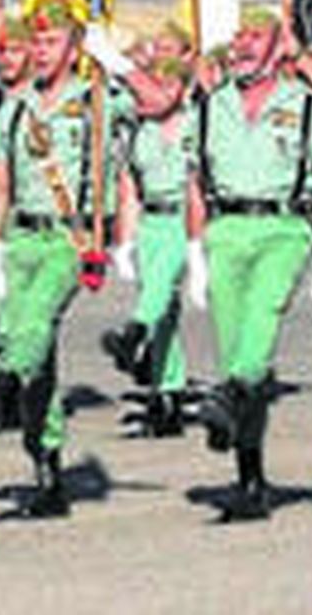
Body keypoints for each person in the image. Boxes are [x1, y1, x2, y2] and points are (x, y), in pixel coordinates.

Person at [188, 8, 312, 521]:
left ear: (277, 47)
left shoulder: (305, 104)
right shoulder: (210, 106)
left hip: (284, 228)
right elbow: (194, 179)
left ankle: (230, 401)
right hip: (225, 230)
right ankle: (250, 477)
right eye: (237, 37)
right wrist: (196, 249)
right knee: (241, 357)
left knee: (261, 319)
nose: (241, 46)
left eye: (254, 37)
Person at [0, 0, 130, 518]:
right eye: (36, 41)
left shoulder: (97, 102)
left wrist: (118, 63)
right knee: (35, 357)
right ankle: (46, 466)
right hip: (22, 237)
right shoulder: (13, 105)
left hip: (71, 238)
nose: (40, 52)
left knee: (34, 323)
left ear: (75, 47)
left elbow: (163, 101)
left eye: (51, 41)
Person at [102, 54, 200, 438]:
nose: (159, 93)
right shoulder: (137, 127)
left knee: (159, 290)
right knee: (166, 313)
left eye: (170, 85)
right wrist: (123, 243)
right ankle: (168, 396)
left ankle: (132, 335)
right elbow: (129, 188)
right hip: (151, 222)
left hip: (183, 219)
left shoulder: (197, 123)